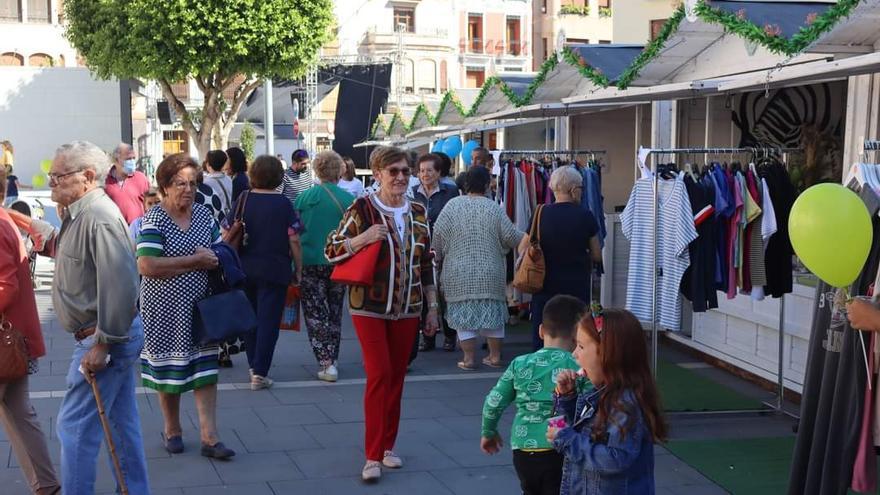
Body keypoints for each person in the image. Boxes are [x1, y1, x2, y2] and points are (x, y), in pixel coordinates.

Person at [31, 141, 149, 493]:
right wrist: (50, 238)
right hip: (102, 335)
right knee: (120, 424)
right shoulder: (80, 214)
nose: (52, 182)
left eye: (58, 176)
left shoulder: (97, 216)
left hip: (101, 337)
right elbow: (85, 265)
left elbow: (121, 284)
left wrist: (104, 343)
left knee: (75, 427)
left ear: (86, 176)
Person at [325, 145, 440, 483]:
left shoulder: (418, 211)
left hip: (409, 307)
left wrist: (432, 309)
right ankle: (372, 455)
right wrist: (360, 239)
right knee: (379, 374)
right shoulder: (362, 208)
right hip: (369, 307)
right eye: (394, 172)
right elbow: (331, 249)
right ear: (377, 175)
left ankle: (388, 446)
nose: (402, 177)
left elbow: (425, 263)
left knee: (397, 378)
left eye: (406, 171)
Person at [136, 153, 235, 460]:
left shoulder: (204, 215)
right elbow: (148, 265)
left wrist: (218, 252)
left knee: (205, 370)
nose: (188, 189)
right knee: (169, 372)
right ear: (165, 186)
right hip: (163, 309)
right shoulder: (155, 219)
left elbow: (215, 251)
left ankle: (210, 437)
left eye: (193, 183)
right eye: (180, 183)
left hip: (200, 308)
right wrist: (195, 261)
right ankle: (172, 429)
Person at [547, 308, 666, 495]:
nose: (574, 354)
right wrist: (566, 399)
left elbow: (614, 459)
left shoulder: (626, 404)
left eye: (581, 346)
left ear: (608, 353)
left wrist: (567, 439)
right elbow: (572, 430)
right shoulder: (598, 393)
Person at [481, 295, 589, 495]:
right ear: (577, 335)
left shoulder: (520, 363)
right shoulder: (578, 366)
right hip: (559, 449)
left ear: (541, 331)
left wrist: (488, 432)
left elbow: (493, 402)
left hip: (522, 450)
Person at [0, 166, 61, 495]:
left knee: (21, 412)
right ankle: (47, 484)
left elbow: (3, 286)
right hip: (13, 339)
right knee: (20, 412)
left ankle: (47, 484)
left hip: (6, 338)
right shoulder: (4, 218)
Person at [432, 166, 524, 370]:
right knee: (493, 316)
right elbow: (513, 237)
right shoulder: (493, 208)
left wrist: (437, 259)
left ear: (465, 184)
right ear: (485, 185)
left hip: (458, 271)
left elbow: (436, 237)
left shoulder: (452, 206)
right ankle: (494, 357)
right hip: (490, 270)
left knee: (463, 318)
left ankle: (469, 359)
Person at [224, 155, 303, 390]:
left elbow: (226, 229)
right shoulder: (284, 203)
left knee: (250, 319)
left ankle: (252, 365)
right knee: (269, 321)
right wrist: (298, 269)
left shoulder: (243, 199)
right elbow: (295, 239)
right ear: (279, 177)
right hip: (275, 269)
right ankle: (260, 372)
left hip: (243, 267)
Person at [520, 166, 602, 350]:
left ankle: (541, 372)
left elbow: (522, 247)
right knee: (576, 332)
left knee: (544, 332)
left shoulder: (540, 214)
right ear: (573, 190)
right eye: (580, 188)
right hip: (576, 286)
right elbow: (597, 254)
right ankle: (574, 372)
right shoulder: (585, 216)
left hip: (544, 285)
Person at [295, 151, 354, 382]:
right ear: (339, 170)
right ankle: (334, 357)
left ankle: (326, 361)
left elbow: (294, 234)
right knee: (335, 311)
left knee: (315, 313)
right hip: (338, 261)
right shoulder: (349, 200)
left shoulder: (304, 198)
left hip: (309, 260)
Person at [411, 153, 459, 352]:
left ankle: (449, 334)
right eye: (421, 171)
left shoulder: (451, 192)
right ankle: (428, 336)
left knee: (445, 293)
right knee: (424, 293)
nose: (425, 174)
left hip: (445, 250)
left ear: (439, 172)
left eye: (429, 170)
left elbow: (456, 219)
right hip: (421, 249)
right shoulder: (412, 192)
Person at [104, 143, 151, 224]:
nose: (132, 161)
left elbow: (151, 202)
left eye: (134, 158)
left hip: (138, 231)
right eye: (128, 159)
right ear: (116, 160)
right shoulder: (104, 180)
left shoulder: (141, 178)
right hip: (114, 230)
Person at [202, 149, 234, 216]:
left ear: (208, 164)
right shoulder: (228, 179)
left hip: (216, 216)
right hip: (227, 215)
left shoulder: (206, 182)